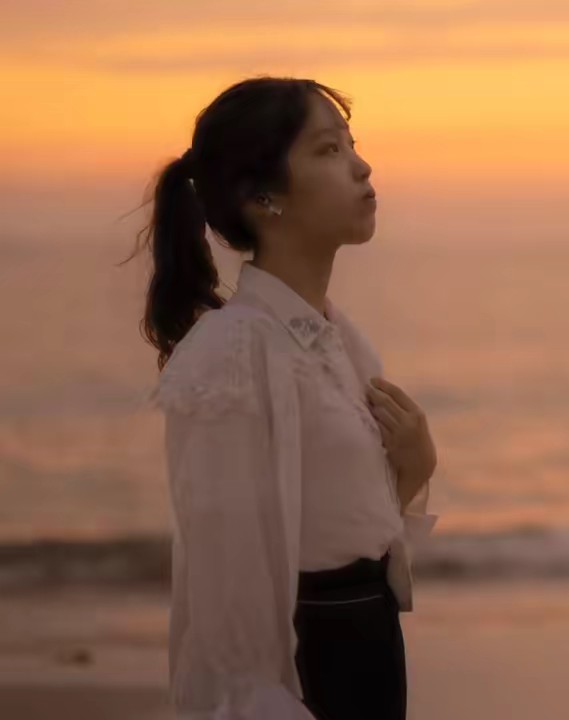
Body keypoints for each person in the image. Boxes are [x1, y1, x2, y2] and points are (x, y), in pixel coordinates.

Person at [132, 75, 439, 720]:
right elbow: (227, 602)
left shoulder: (340, 342)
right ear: (262, 196)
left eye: (351, 144)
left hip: (371, 661)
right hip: (303, 682)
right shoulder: (234, 354)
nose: (361, 166)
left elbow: (341, 533)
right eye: (328, 150)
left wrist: (412, 471)